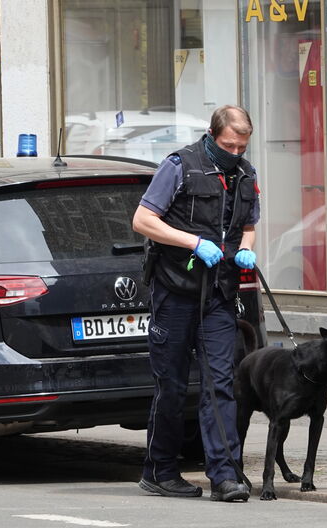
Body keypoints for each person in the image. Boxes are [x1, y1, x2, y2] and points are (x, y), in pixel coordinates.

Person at [132, 105, 259, 502]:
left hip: (220, 294)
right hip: (175, 291)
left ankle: (224, 475)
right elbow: (143, 220)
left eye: (241, 146)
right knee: (170, 385)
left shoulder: (246, 174)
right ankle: (160, 470)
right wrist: (192, 242)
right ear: (212, 134)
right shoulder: (179, 166)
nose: (235, 152)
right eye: (228, 145)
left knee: (220, 383)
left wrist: (245, 250)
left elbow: (249, 225)